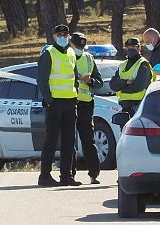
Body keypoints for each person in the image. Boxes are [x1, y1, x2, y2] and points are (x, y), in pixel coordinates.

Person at [37, 24, 82, 187]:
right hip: (55, 103)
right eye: (59, 34)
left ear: (69, 36)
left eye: (65, 34)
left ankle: (66, 175)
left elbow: (74, 76)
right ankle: (45, 176)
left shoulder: (71, 52)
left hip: (70, 102)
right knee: (51, 140)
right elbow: (41, 80)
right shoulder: (49, 53)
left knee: (69, 141)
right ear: (54, 37)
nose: (62, 37)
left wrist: (75, 93)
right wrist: (48, 100)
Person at [70, 32, 103, 184]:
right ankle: (69, 174)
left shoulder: (89, 58)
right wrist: (78, 79)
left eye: (81, 46)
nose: (79, 49)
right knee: (70, 140)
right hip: (69, 102)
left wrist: (90, 81)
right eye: (77, 46)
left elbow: (99, 81)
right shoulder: (66, 57)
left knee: (88, 139)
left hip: (85, 104)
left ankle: (94, 174)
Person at [109, 37, 153, 117]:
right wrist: (126, 82)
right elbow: (113, 85)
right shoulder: (123, 65)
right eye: (128, 47)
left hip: (138, 105)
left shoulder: (143, 64)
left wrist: (121, 88)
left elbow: (138, 86)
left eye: (133, 47)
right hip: (124, 106)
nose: (130, 49)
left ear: (139, 48)